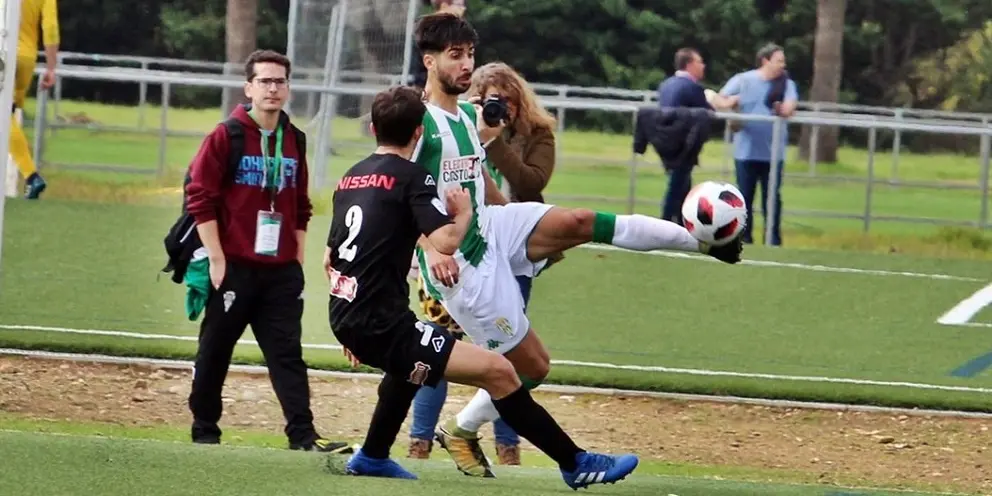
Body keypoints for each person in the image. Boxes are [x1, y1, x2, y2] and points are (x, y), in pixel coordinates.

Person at [408, 12, 744, 478]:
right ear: (429, 61)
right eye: (455, 56)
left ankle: (701, 244)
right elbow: (395, 193)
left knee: (583, 220)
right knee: (532, 367)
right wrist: (430, 248)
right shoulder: (417, 123)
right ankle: (463, 429)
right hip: (464, 267)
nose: (467, 65)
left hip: (491, 227)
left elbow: (478, 178)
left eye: (469, 54)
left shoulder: (464, 117)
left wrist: (515, 206)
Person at [326, 85, 640, 490]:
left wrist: (350, 324)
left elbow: (331, 257)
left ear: (372, 129)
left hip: (349, 311)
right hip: (379, 322)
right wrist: (466, 210)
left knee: (411, 365)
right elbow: (446, 242)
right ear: (419, 133)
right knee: (499, 371)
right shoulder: (413, 176)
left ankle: (372, 455)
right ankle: (576, 463)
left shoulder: (350, 178)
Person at [183, 49, 349, 453]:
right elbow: (199, 198)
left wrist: (295, 257)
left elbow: (300, 204)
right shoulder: (227, 135)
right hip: (234, 266)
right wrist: (217, 258)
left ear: (288, 88)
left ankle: (303, 436)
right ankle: (205, 429)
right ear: (249, 87)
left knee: (287, 355)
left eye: (280, 81)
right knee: (214, 351)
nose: (273, 89)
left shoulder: (294, 138)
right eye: (264, 81)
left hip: (279, 272)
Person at [407, 61, 559, 465]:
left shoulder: (534, 134)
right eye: (487, 99)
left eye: (503, 100)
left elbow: (530, 183)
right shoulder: (452, 125)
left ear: (518, 101)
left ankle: (508, 446)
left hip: (511, 246)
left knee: (510, 353)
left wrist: (491, 140)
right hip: (454, 250)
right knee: (438, 345)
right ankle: (419, 439)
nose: (495, 107)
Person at [719, 43, 798, 246]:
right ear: (765, 61)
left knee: (772, 200)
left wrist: (782, 108)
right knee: (744, 198)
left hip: (773, 154)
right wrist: (730, 105)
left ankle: (773, 240)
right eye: (779, 60)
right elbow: (719, 98)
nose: (783, 64)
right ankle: (744, 238)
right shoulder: (743, 80)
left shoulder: (785, 83)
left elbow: (790, 107)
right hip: (745, 152)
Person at [655, 48, 737, 223]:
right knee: (677, 186)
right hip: (684, 144)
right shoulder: (692, 88)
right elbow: (709, 115)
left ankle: (681, 223)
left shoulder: (666, 85)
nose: (703, 65)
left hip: (665, 142)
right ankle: (666, 222)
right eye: (700, 62)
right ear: (690, 64)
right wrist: (715, 101)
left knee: (682, 185)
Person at [11, 0, 60, 199]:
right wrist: (50, 67)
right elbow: (50, 26)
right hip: (26, 57)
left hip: (4, 50)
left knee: (4, 118)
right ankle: (31, 177)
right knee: (8, 115)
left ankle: (31, 176)